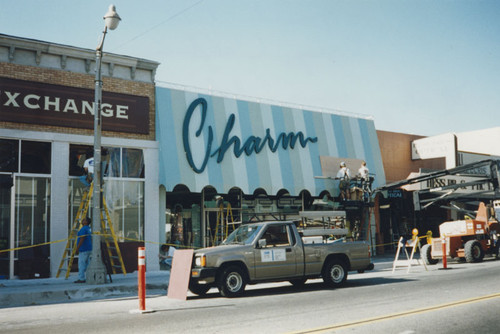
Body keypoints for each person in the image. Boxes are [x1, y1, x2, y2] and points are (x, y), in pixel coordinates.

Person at [75, 217, 92, 283]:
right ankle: (89, 277)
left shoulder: (83, 229)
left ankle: (81, 278)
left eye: (84, 220)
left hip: (83, 249)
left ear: (86, 222)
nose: (82, 220)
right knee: (88, 264)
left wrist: (77, 248)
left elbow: (82, 238)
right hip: (89, 248)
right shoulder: (89, 229)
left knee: (81, 264)